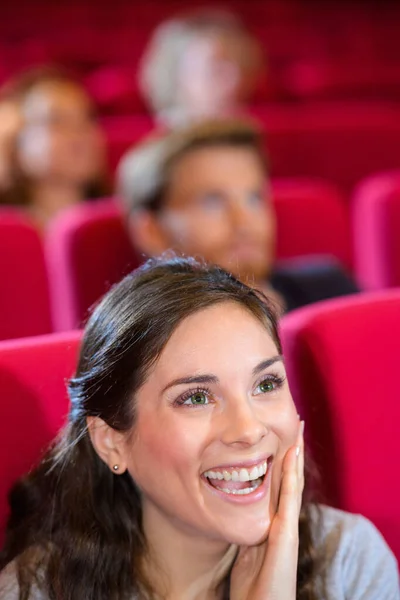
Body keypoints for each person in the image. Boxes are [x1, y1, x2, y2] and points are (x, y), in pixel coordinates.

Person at [0, 256, 397, 599]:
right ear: (111, 442)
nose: (249, 429)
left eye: (266, 384)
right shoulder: (37, 589)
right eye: (196, 397)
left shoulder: (347, 559)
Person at [117, 119, 358, 313]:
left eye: (254, 198)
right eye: (211, 201)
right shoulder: (154, 349)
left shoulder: (331, 289)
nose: (244, 220)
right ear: (151, 231)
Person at [0, 67, 109, 229]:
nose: (79, 130)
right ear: (15, 143)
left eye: (88, 118)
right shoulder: (7, 234)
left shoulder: (123, 221)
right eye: (56, 120)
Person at [139, 9, 264, 127]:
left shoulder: (252, 133)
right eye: (217, 69)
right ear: (175, 74)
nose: (235, 80)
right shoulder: (158, 143)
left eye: (242, 67)